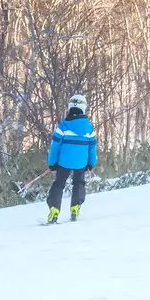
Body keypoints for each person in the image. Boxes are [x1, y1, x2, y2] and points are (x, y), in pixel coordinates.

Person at [45, 93, 97, 223]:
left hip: (64, 162)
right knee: (79, 183)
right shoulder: (89, 128)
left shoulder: (63, 126)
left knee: (58, 184)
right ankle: (75, 207)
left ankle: (54, 210)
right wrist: (91, 163)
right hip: (81, 163)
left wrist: (52, 162)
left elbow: (55, 146)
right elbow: (92, 147)